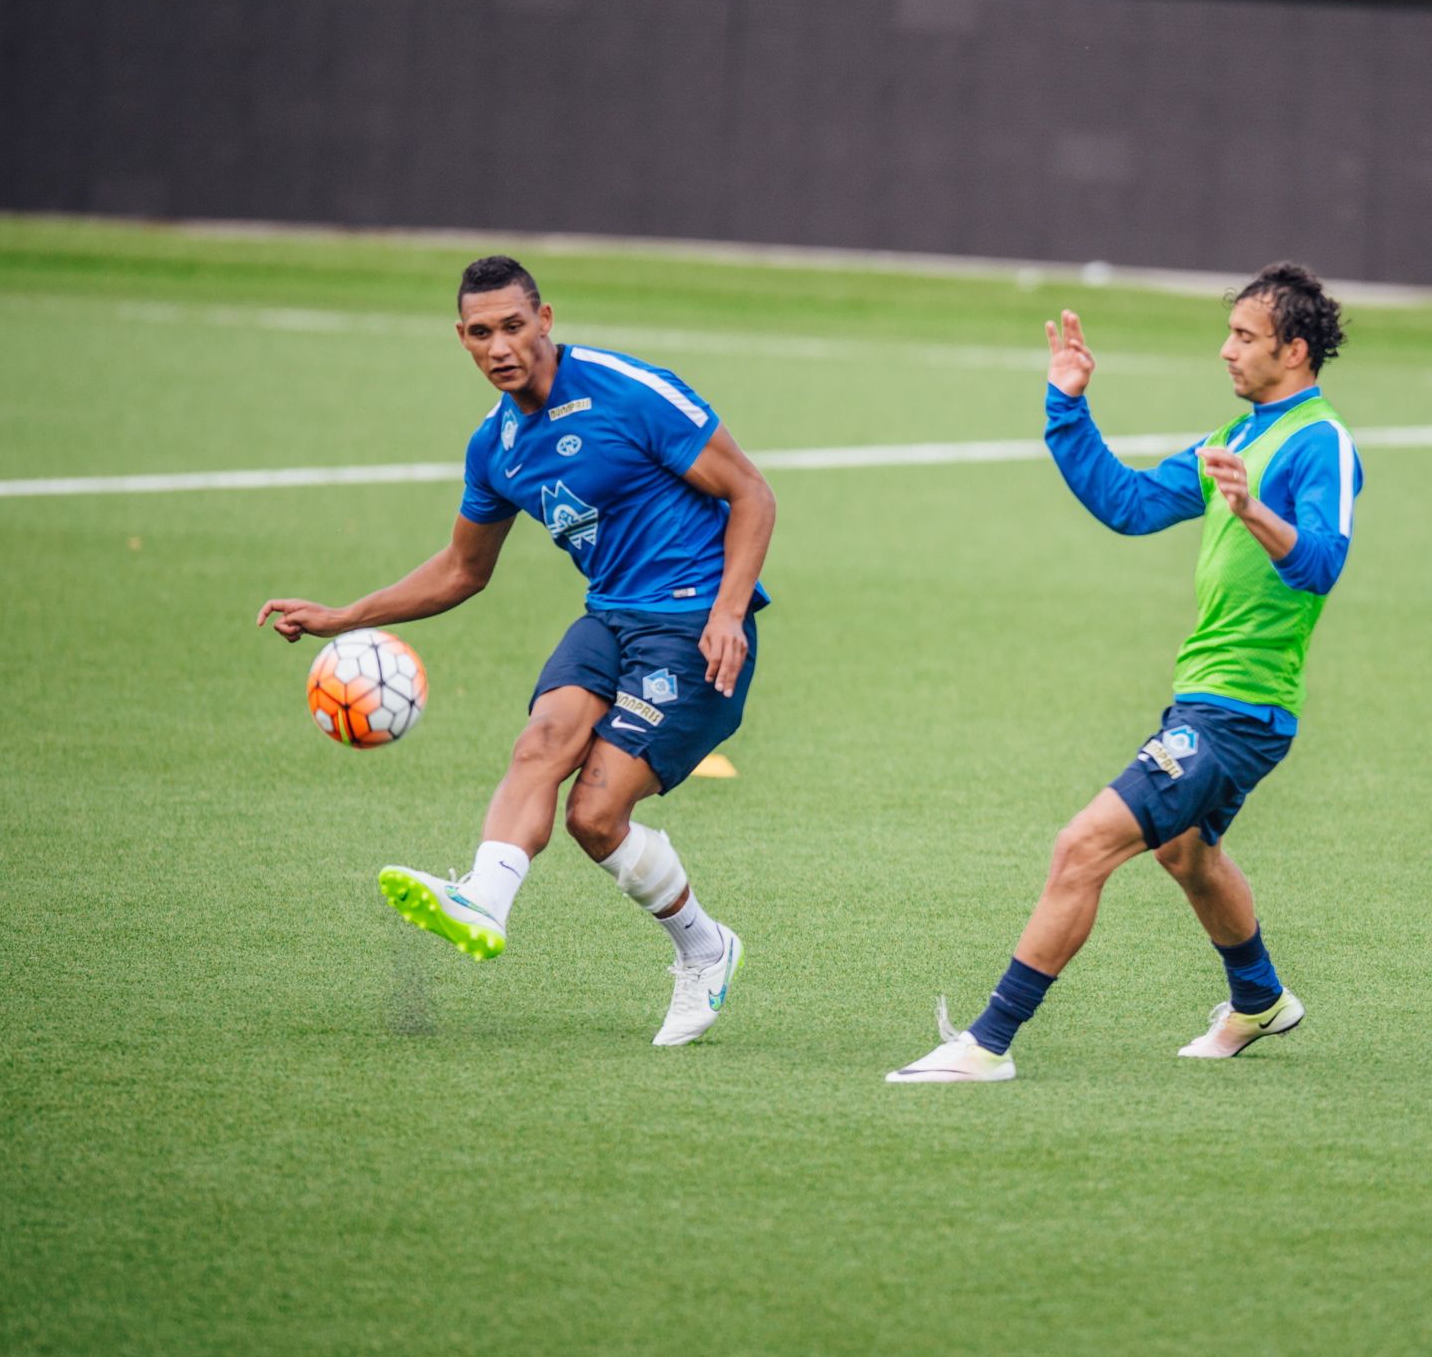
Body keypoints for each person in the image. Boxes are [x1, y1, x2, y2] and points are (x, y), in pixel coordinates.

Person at [258, 256, 775, 1047]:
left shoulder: (628, 391)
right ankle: (484, 901)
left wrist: (730, 612)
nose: (499, 346)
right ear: (461, 339)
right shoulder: (495, 448)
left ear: (545, 321)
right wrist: (344, 616)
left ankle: (706, 949)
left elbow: (752, 493)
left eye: (512, 326)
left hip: (693, 625)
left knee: (594, 817)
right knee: (539, 743)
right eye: (480, 333)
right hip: (610, 619)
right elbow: (462, 570)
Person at [887, 263, 1362, 1082]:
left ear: (1294, 349)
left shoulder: (1321, 442)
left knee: (1082, 846)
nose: (1226, 350)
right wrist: (1066, 405)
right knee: (1186, 853)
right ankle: (1259, 1000)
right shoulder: (1235, 436)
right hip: (1206, 696)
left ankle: (986, 1044)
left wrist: (1254, 511)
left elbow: (1321, 564)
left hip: (1242, 711)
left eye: (1244, 337)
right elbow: (1129, 505)